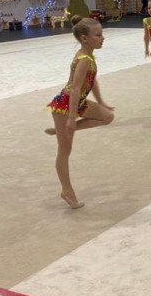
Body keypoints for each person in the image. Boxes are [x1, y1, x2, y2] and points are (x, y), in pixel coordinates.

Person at [45, 16, 114, 209]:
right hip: (65, 106)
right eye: (98, 35)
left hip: (78, 102)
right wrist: (71, 118)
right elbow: (75, 89)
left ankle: (61, 130)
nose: (103, 38)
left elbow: (92, 81)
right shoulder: (83, 59)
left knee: (107, 117)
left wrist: (101, 102)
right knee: (64, 151)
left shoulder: (88, 56)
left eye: (102, 34)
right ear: (85, 39)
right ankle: (66, 190)